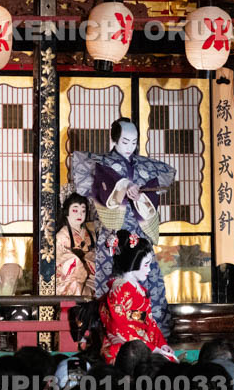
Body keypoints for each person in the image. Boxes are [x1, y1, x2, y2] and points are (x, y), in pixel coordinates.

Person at [72, 117, 176, 334]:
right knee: (113, 282)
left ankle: (154, 332)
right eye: (125, 142)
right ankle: (111, 332)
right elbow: (93, 185)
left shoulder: (144, 165)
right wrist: (122, 187)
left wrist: (143, 189)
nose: (130, 147)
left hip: (140, 235)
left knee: (150, 279)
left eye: (134, 142)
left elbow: (164, 178)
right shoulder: (101, 165)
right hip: (114, 236)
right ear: (114, 140)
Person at [98, 229, 177, 365]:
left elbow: (150, 322)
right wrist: (153, 348)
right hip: (126, 347)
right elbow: (119, 328)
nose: (148, 269)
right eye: (146, 264)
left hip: (144, 342)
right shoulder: (119, 290)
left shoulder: (138, 289)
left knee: (169, 360)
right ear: (132, 262)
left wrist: (161, 344)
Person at [55, 193, 96, 296]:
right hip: (71, 279)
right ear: (66, 212)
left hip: (91, 277)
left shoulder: (91, 234)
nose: (80, 214)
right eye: (75, 210)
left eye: (83, 211)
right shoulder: (62, 235)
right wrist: (80, 261)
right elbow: (61, 259)